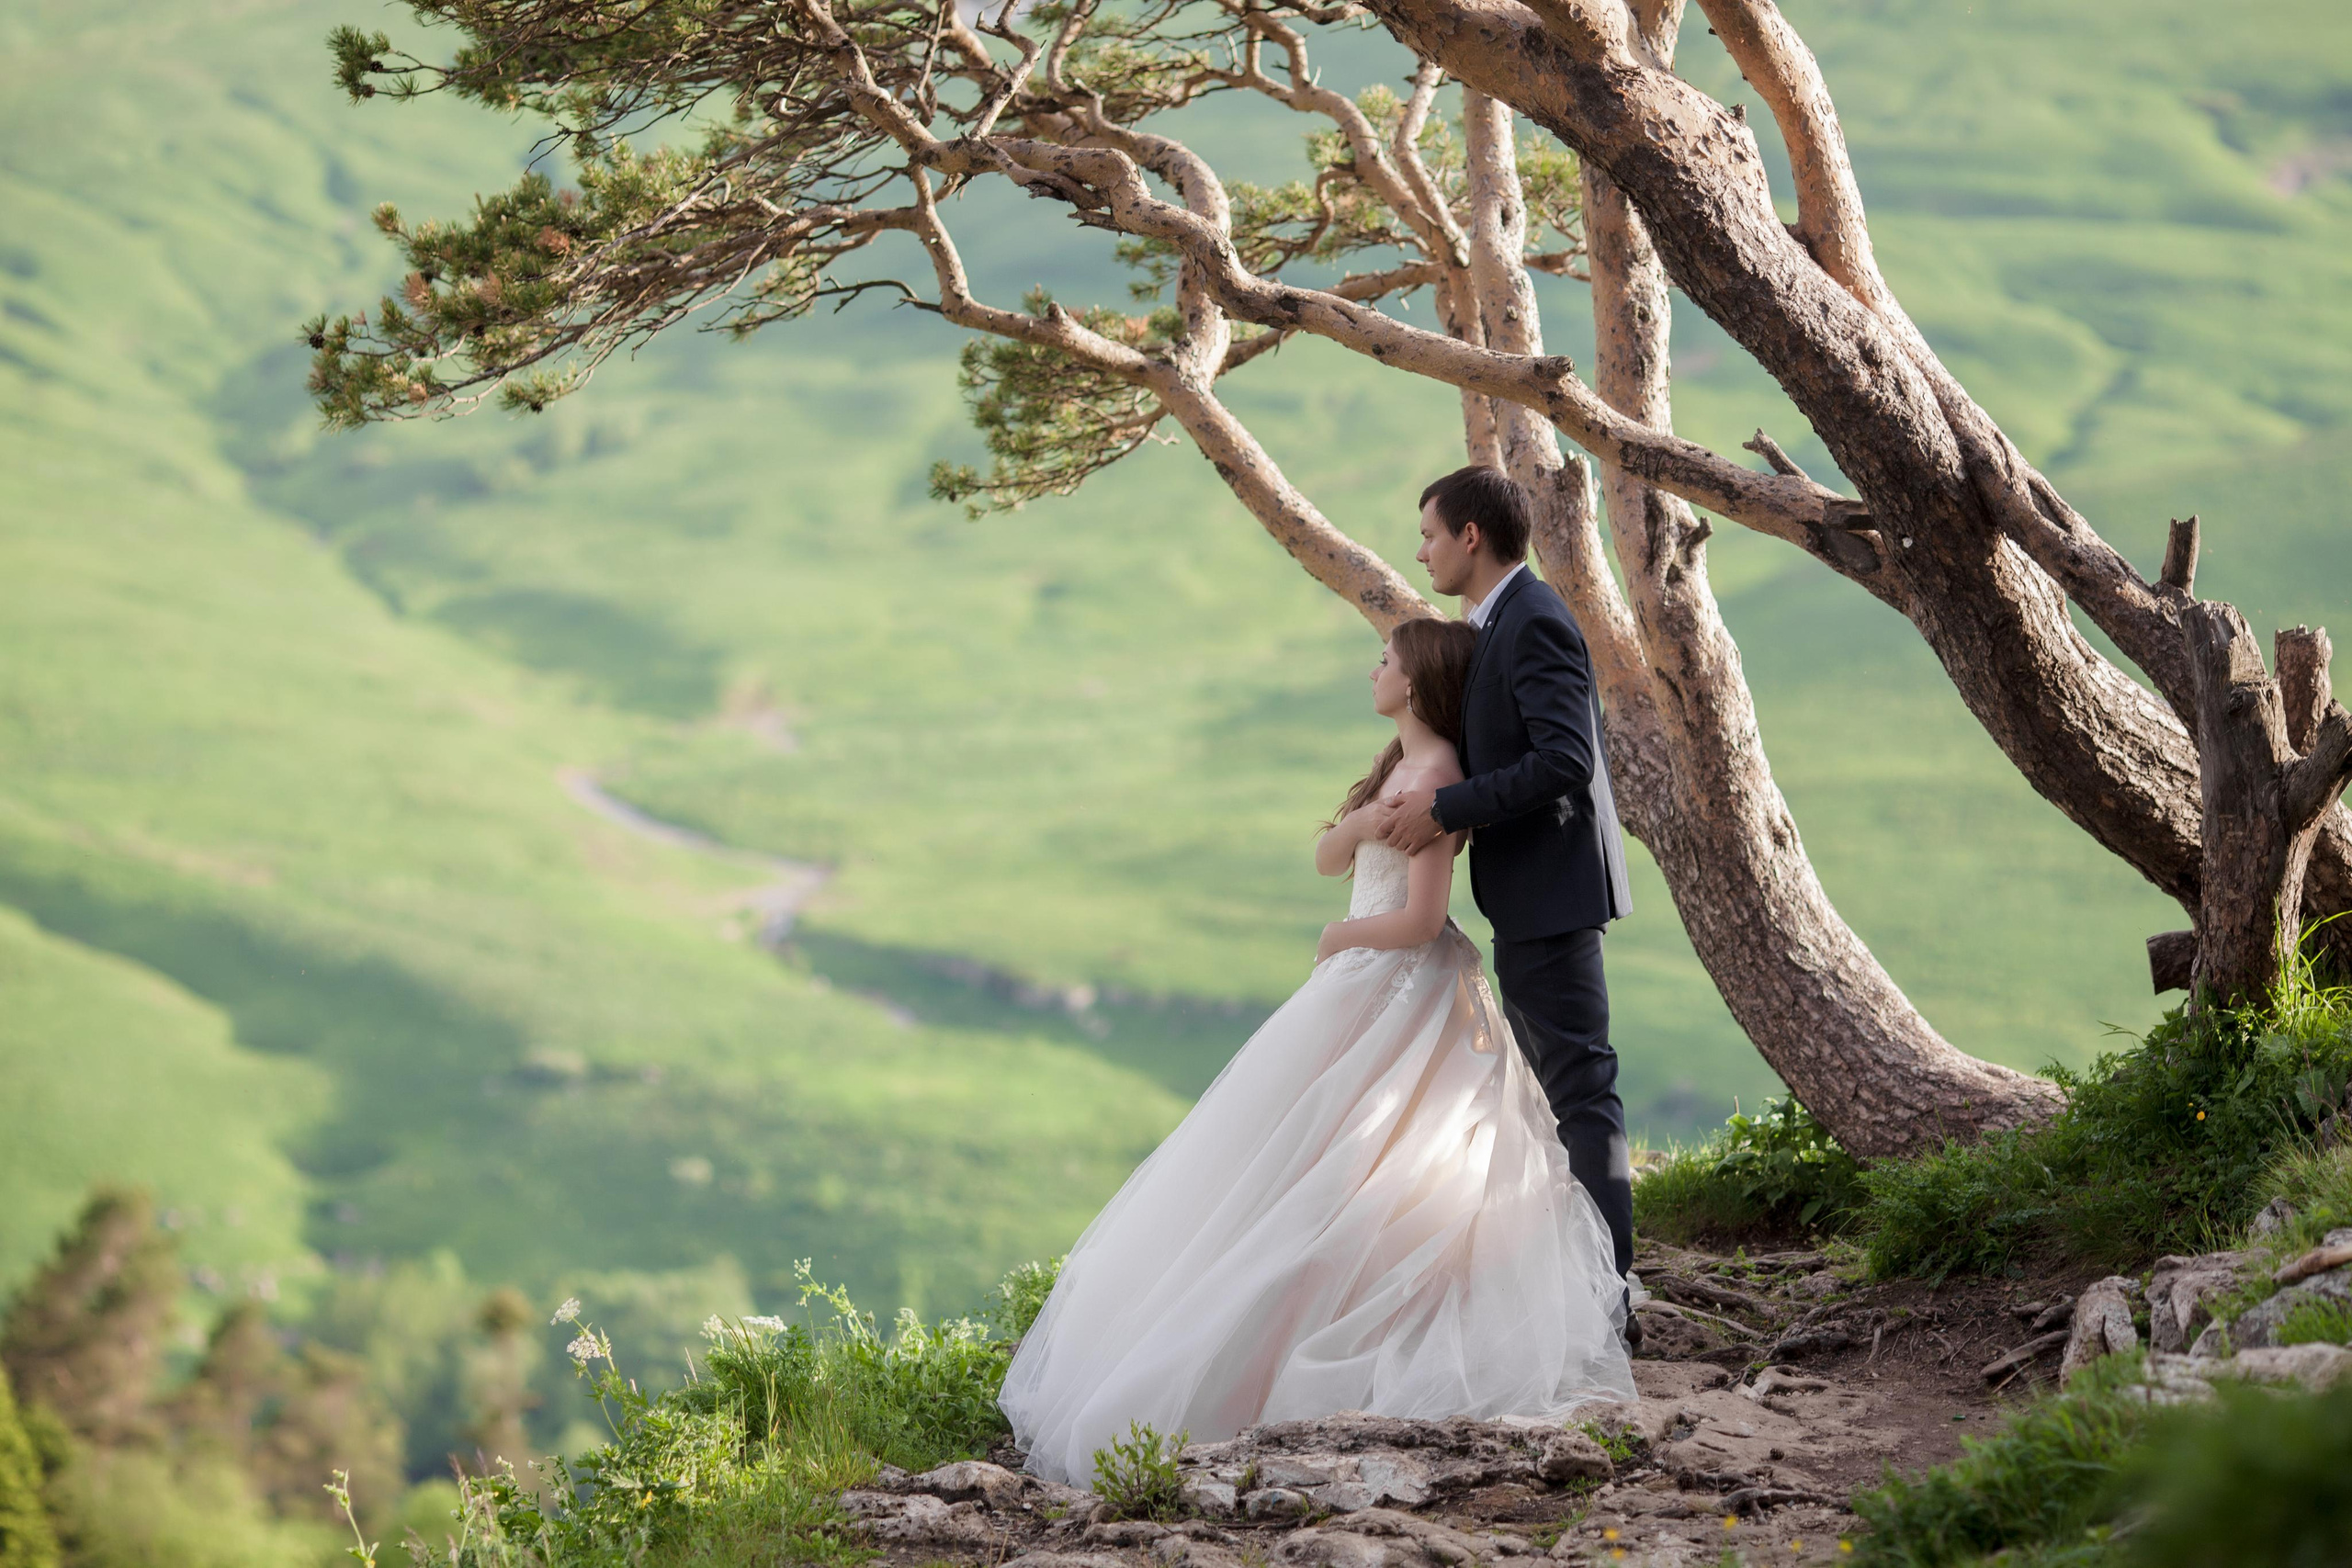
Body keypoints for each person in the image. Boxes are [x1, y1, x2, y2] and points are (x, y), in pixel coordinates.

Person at [999, 617, 1634, 1485]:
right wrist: (1368, 819)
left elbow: (1419, 918)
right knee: (1285, 1161)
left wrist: (1341, 936)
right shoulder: (1394, 772)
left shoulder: (1441, 775)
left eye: (1385, 661)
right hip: (1358, 985)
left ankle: (1320, 1346)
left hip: (1396, 985)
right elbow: (1331, 851)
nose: (1373, 671)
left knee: (1361, 1174)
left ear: (1412, 685)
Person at [1374, 465, 1638, 1308]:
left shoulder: (1533, 621)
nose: (1421, 552)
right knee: (1561, 1095)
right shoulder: (1498, 622)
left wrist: (1448, 807)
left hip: (1554, 898)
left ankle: (1609, 1298)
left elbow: (1567, 759)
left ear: (1471, 537)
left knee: (1580, 1095)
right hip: (1531, 897)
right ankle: (1580, 1285)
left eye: (1429, 534)